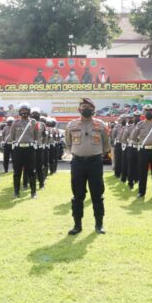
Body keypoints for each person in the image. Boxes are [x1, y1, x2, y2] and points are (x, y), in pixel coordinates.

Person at [64, 98, 110, 235]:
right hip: (77, 163)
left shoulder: (101, 125)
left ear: (93, 110)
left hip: (95, 163)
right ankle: (77, 226)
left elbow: (106, 143)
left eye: (89, 107)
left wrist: (97, 155)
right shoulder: (71, 125)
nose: (86, 109)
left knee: (97, 195)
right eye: (83, 107)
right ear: (79, 109)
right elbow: (68, 142)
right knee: (77, 195)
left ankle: (99, 225)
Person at [10, 102, 39, 199]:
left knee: (32, 172)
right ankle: (16, 192)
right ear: (19, 112)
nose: (24, 112)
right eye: (22, 111)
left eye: (26, 110)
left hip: (30, 149)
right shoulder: (15, 123)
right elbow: (12, 136)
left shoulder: (34, 122)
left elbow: (36, 135)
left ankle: (33, 192)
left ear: (29, 111)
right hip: (18, 149)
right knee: (17, 172)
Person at [30, 107, 47, 190]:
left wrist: (43, 144)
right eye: (33, 114)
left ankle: (41, 183)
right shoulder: (28, 123)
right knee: (29, 167)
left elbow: (45, 135)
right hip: (30, 148)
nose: (35, 115)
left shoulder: (42, 124)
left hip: (39, 148)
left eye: (36, 114)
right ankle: (27, 184)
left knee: (39, 167)